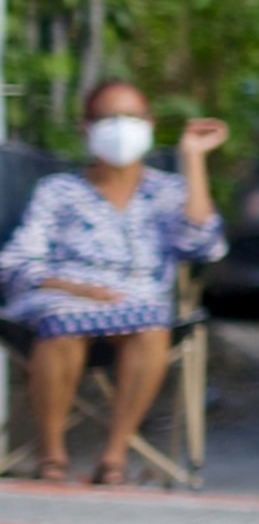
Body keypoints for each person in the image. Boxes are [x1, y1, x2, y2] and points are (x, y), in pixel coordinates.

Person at [1, 81, 227, 485]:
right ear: (86, 127)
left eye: (132, 118)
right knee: (62, 323)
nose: (121, 128)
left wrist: (192, 159)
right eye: (108, 118)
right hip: (62, 298)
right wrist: (76, 289)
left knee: (151, 324)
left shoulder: (167, 191)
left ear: (149, 124)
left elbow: (204, 245)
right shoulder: (59, 192)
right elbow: (16, 262)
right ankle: (51, 453)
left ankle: (114, 455)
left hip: (138, 303)